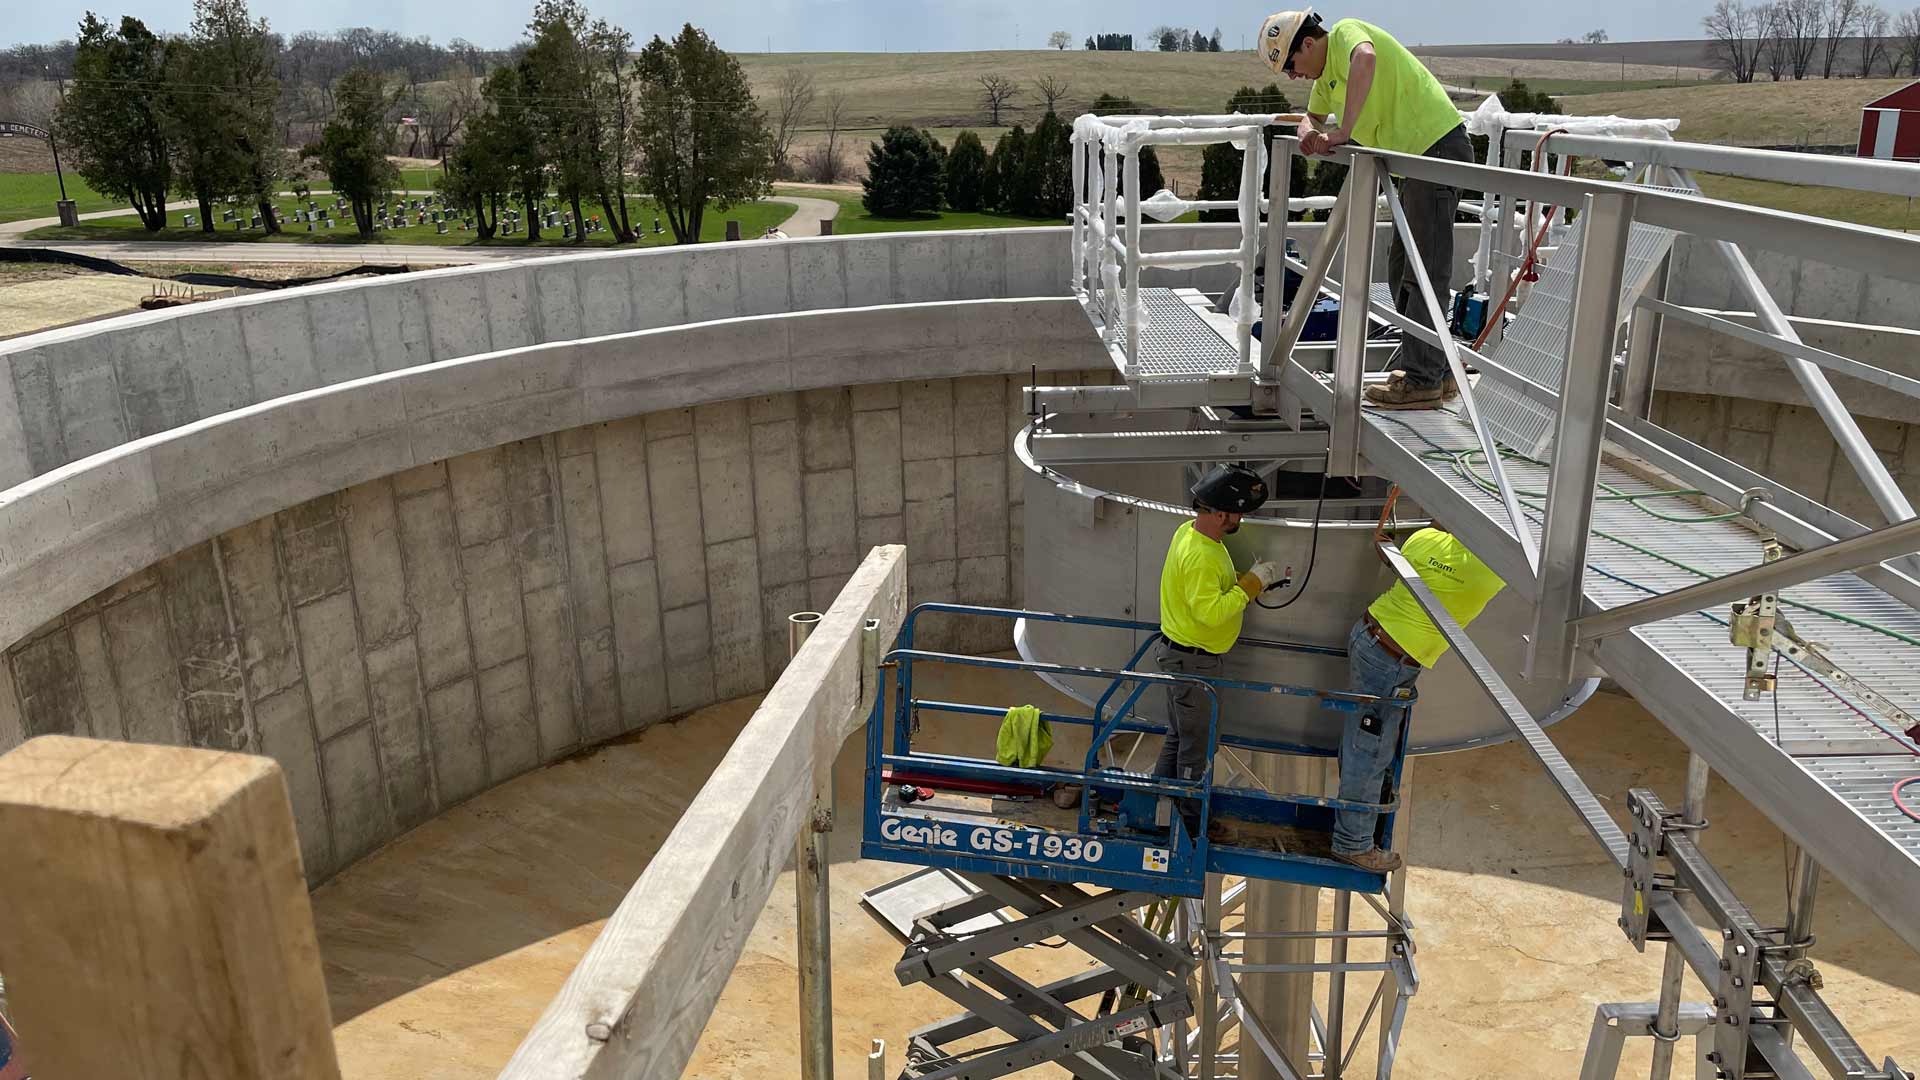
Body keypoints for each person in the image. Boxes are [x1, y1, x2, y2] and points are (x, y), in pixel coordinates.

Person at [1260, 8, 1473, 411]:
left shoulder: (1344, 35)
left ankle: (1424, 379)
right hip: (1415, 161)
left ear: (1308, 43)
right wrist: (1308, 132)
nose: (1293, 75)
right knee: (1401, 269)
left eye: (1291, 64)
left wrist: (1342, 132)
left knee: (1423, 270)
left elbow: (1367, 58)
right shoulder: (1326, 81)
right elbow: (1310, 115)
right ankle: (1437, 369)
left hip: (1436, 148)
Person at [1333, 523, 1505, 871]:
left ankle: (1360, 825)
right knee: (1370, 752)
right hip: (1390, 663)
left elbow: (1405, 544)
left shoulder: (1424, 540)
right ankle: (1352, 843)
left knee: (1363, 742)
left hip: (1370, 636)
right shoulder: (1491, 571)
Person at [1155, 464, 1284, 842]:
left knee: (1181, 737)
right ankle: (1193, 825)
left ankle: (1157, 801)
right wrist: (1251, 585)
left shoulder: (1189, 534)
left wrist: (1244, 581)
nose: (1241, 519)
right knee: (1197, 746)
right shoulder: (1203, 557)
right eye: (1238, 512)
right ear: (1221, 513)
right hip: (1195, 661)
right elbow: (1209, 612)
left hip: (1182, 655)